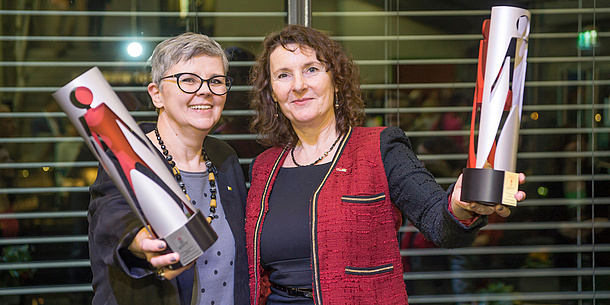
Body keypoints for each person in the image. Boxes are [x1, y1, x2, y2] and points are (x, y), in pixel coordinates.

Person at [245, 24, 526, 304]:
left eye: (311, 69)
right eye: (283, 75)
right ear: (271, 92)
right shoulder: (263, 168)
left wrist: (461, 205)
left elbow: (437, 220)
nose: (298, 85)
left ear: (337, 80)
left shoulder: (379, 148)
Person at [87, 32, 249, 305]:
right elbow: (110, 215)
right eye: (188, 80)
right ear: (157, 94)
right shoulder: (129, 156)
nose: (205, 90)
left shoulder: (225, 157)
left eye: (216, 81)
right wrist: (143, 244)